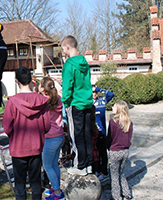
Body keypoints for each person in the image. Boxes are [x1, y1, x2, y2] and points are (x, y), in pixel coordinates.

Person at [3, 67, 51, 200]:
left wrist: (15, 135)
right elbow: (47, 125)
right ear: (31, 80)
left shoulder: (12, 102)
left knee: (20, 184)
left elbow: (7, 127)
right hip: (36, 147)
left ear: (17, 81)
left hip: (18, 148)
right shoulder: (41, 101)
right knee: (36, 182)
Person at [61, 35, 93, 175]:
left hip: (76, 104)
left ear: (67, 47)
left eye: (63, 49)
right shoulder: (84, 61)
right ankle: (89, 164)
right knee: (87, 134)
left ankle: (80, 166)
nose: (63, 52)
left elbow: (67, 86)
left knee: (76, 135)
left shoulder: (69, 65)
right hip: (87, 102)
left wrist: (66, 102)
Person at [39, 77, 65, 200]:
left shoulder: (44, 101)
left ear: (43, 88)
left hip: (50, 138)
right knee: (54, 164)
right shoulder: (58, 99)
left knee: (47, 166)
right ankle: (55, 187)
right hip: (59, 136)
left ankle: (58, 192)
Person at [107, 100, 133, 200]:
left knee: (114, 175)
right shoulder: (129, 123)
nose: (112, 108)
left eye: (114, 106)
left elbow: (110, 137)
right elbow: (129, 138)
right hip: (125, 151)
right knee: (121, 173)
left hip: (115, 151)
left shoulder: (113, 122)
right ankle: (127, 193)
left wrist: (108, 147)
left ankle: (116, 196)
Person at [93, 86, 114, 180]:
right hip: (92, 132)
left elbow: (111, 94)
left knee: (102, 152)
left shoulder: (102, 101)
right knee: (94, 153)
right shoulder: (87, 102)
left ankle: (104, 171)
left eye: (95, 92)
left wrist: (99, 89)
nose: (94, 94)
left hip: (101, 131)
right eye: (92, 92)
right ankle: (96, 170)